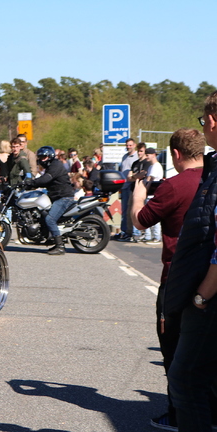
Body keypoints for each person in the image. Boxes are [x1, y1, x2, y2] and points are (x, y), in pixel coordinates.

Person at [129, 129, 205, 431]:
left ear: (175, 154)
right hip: (208, 274)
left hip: (176, 275)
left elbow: (141, 221)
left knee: (172, 345)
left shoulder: (174, 185)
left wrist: (138, 197)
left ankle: (177, 413)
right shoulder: (210, 180)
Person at [161, 93, 217, 432]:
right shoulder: (211, 169)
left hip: (207, 296)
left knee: (185, 380)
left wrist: (201, 295)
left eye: (205, 120)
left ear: (212, 121)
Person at [24, 146, 74, 255]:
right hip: (56, 195)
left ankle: (60, 246)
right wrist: (29, 185)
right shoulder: (52, 166)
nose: (42, 159)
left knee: (50, 219)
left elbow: (46, 178)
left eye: (44, 157)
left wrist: (32, 183)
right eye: (40, 157)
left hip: (64, 197)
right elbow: (46, 181)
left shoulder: (55, 166)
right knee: (42, 212)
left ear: (50, 156)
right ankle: (47, 236)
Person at [115, 138, 139, 241]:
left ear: (134, 145)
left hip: (132, 186)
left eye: (130, 145)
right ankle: (124, 231)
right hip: (124, 186)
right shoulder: (124, 157)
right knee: (124, 211)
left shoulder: (137, 157)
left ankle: (134, 232)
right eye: (127, 145)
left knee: (132, 210)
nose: (128, 147)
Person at [143, 147, 164, 244]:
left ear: (153, 155)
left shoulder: (156, 166)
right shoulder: (151, 166)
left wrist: (144, 191)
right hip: (149, 195)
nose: (146, 157)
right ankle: (148, 236)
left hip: (153, 194)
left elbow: (150, 180)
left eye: (148, 155)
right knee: (148, 216)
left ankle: (156, 236)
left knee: (154, 216)